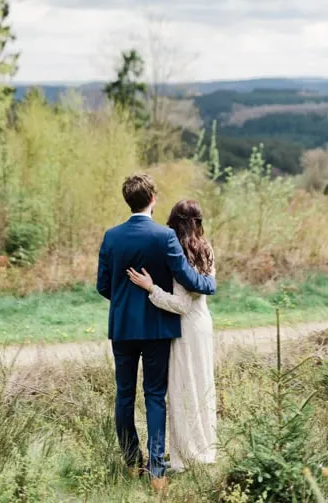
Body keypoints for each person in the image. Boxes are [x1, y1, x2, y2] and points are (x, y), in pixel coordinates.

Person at [96, 174, 217, 492]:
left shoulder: (111, 237)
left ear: (129, 201)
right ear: (153, 199)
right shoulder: (165, 237)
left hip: (122, 327)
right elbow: (185, 277)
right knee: (154, 396)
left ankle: (132, 461)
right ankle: (157, 472)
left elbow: (103, 285)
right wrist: (209, 283)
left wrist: (125, 302)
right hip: (156, 328)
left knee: (124, 395)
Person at [126, 199, 217, 472]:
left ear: (174, 222)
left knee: (182, 389)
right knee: (202, 386)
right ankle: (204, 447)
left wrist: (151, 288)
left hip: (184, 328)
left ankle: (185, 456)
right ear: (198, 223)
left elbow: (181, 305)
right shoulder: (206, 249)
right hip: (203, 324)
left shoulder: (177, 252)